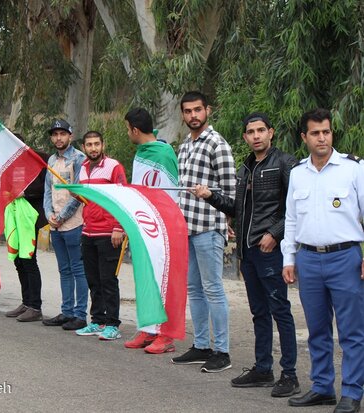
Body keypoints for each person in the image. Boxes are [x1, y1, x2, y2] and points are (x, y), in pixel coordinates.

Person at [191, 112, 300, 397]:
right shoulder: (246, 168)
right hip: (248, 252)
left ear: (271, 133)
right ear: (245, 137)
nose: (256, 136)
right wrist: (210, 196)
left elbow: (297, 206)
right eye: (251, 131)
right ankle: (263, 369)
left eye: (261, 130)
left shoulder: (285, 164)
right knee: (259, 312)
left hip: (270, 250)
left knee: (280, 312)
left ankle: (290, 375)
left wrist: (275, 234)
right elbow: (238, 210)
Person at [282, 108, 364, 413]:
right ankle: (322, 387)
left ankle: (353, 392)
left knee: (352, 331)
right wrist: (289, 258)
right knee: (316, 329)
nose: (322, 138)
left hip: (346, 258)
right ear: (304, 137)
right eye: (315, 133)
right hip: (308, 259)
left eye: (326, 132)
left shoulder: (353, 169)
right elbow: (290, 219)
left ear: (332, 134)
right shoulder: (297, 173)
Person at [171, 91, 236, 373]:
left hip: (209, 228)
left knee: (213, 290)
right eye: (187, 111)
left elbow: (230, 192)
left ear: (207, 110)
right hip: (188, 228)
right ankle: (201, 345)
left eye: (197, 110)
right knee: (194, 290)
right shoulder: (185, 145)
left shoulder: (217, 144)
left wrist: (210, 194)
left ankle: (222, 351)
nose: (192, 116)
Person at [123, 107, 182, 354]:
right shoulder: (140, 153)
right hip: (142, 223)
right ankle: (148, 328)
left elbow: (171, 193)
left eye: (128, 129)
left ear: (135, 130)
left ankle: (166, 335)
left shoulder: (163, 152)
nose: (127, 134)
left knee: (163, 280)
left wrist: (164, 222)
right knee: (146, 278)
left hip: (162, 225)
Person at [73, 131, 127, 340]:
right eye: (89, 144)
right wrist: (75, 193)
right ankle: (97, 320)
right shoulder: (84, 168)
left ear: (103, 145)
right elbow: (87, 199)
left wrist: (118, 227)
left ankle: (113, 324)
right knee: (93, 279)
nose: (93, 148)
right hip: (87, 231)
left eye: (96, 144)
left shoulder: (114, 166)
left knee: (108, 280)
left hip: (108, 232)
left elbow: (122, 197)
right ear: (84, 147)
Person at [41, 119, 88, 331]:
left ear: (70, 136)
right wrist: (49, 214)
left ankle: (80, 314)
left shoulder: (79, 159)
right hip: (55, 224)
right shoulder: (51, 160)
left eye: (62, 134)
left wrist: (62, 217)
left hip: (74, 222)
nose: (58, 138)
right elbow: (47, 191)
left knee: (78, 269)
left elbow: (79, 193)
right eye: (55, 134)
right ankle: (66, 311)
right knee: (64, 270)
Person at [4, 133, 49, 322]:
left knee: (29, 259)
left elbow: (47, 186)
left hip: (31, 216)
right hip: (13, 215)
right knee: (18, 260)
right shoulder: (6, 162)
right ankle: (26, 301)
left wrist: (26, 192)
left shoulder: (39, 158)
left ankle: (35, 306)